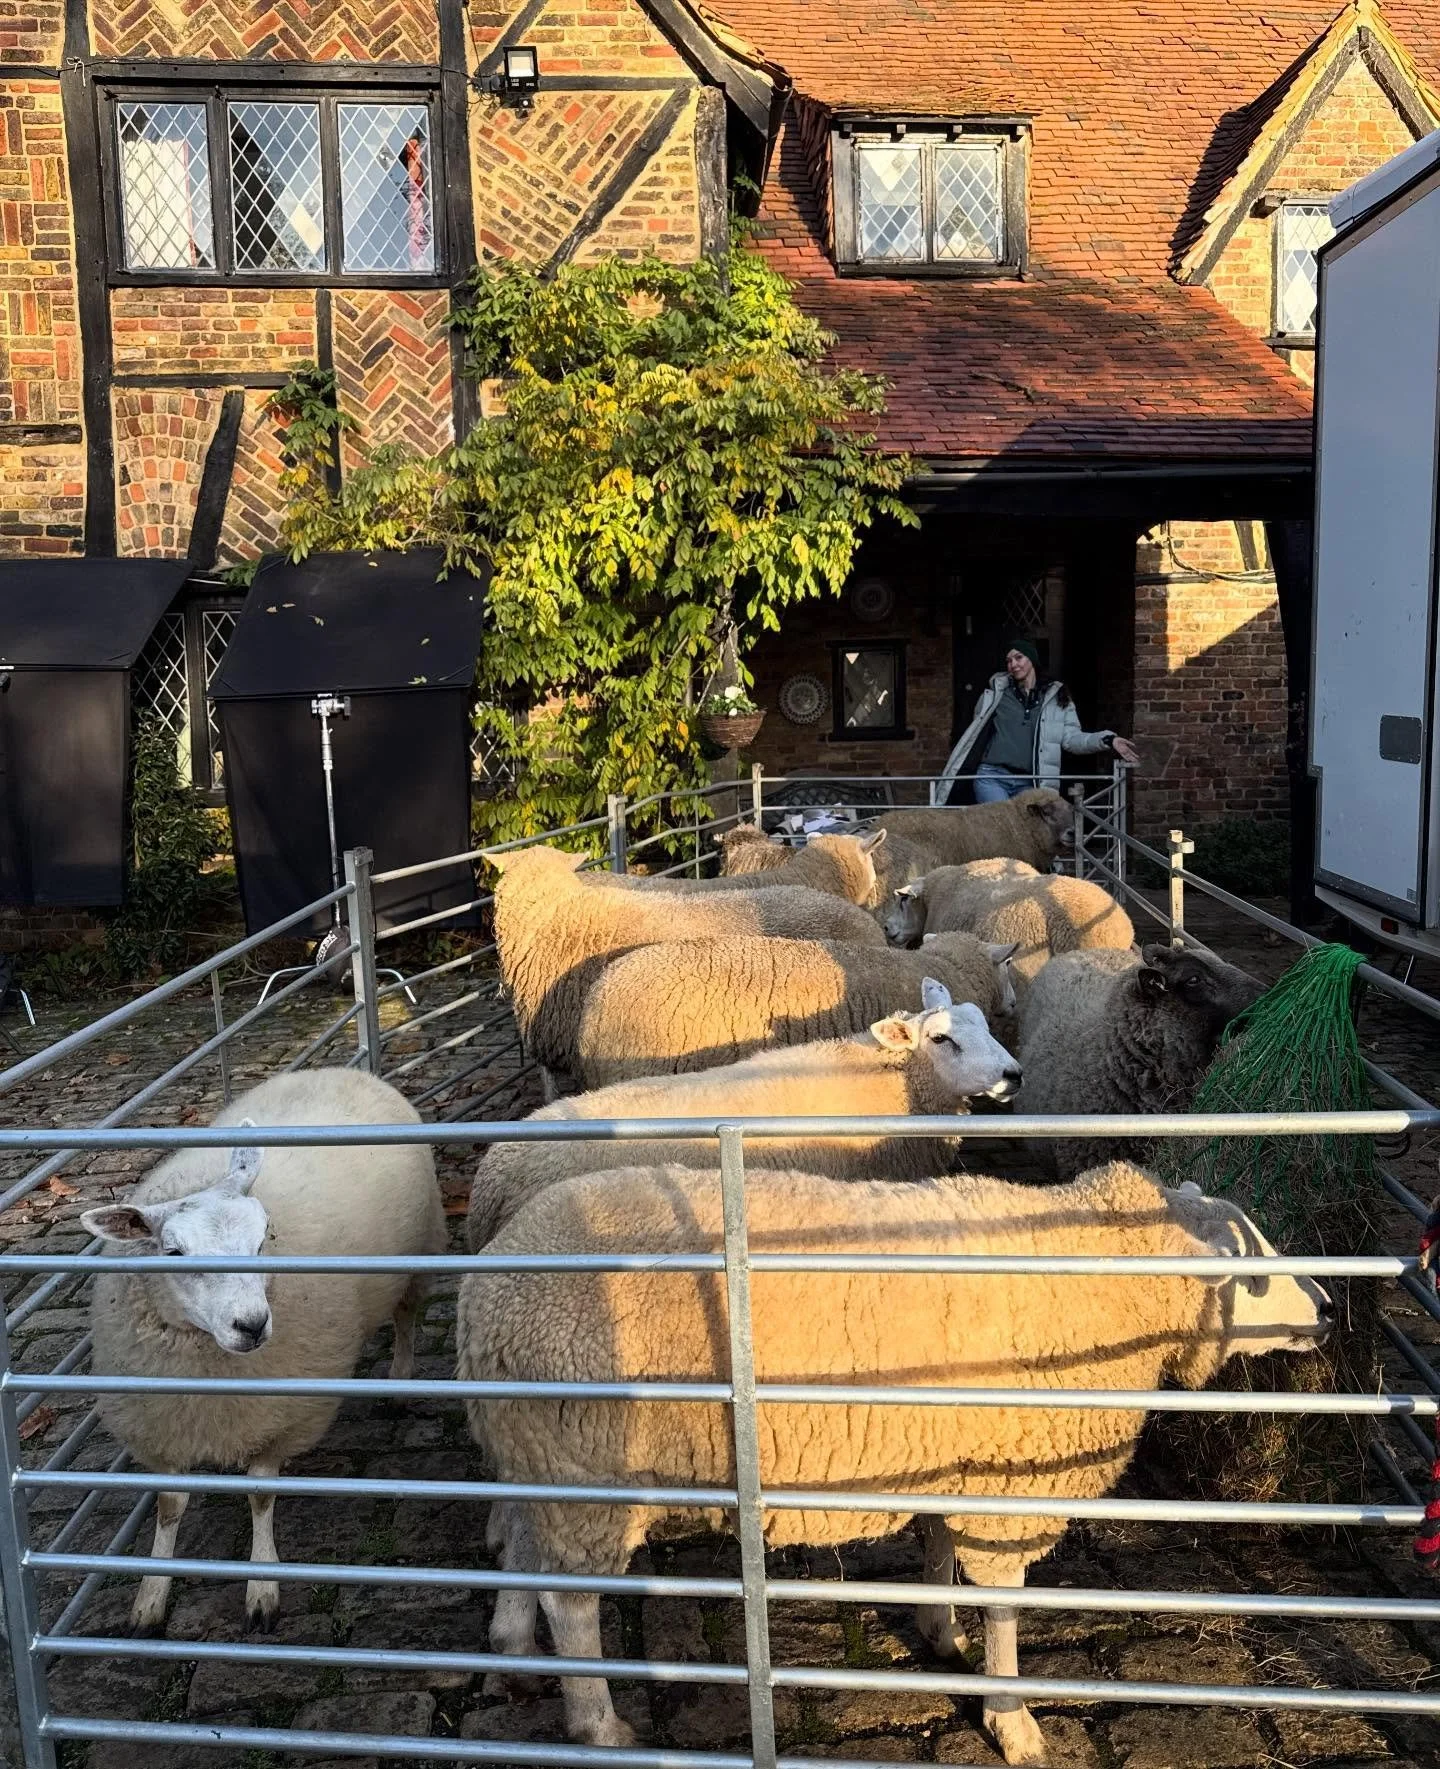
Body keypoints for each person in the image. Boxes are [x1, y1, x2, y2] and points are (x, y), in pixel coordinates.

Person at [936, 639, 1141, 805]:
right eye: (1008, 661)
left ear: (1032, 660)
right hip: (992, 776)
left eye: (1019, 657)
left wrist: (1107, 739)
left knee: (1029, 839)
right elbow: (975, 734)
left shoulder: (1057, 697)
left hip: (1031, 782)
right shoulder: (995, 695)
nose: (1013, 665)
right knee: (1004, 831)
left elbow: (1071, 739)